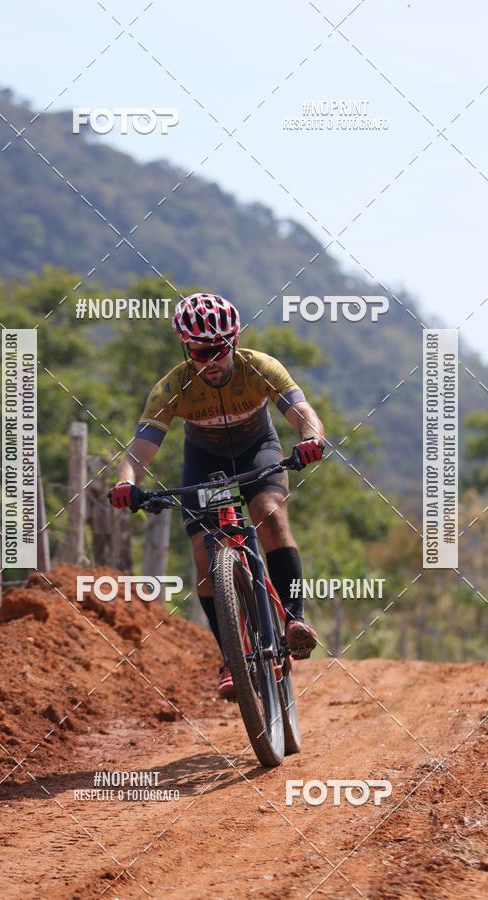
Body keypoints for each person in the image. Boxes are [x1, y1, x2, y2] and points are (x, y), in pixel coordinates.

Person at [108, 293, 324, 699]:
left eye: (219, 349)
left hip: (257, 450)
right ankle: (230, 657)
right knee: (204, 552)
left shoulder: (259, 367)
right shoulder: (172, 387)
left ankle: (294, 619)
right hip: (204, 462)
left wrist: (310, 438)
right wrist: (125, 483)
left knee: (269, 512)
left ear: (235, 342)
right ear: (186, 349)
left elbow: (303, 413)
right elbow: (138, 452)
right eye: (199, 352)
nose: (211, 361)